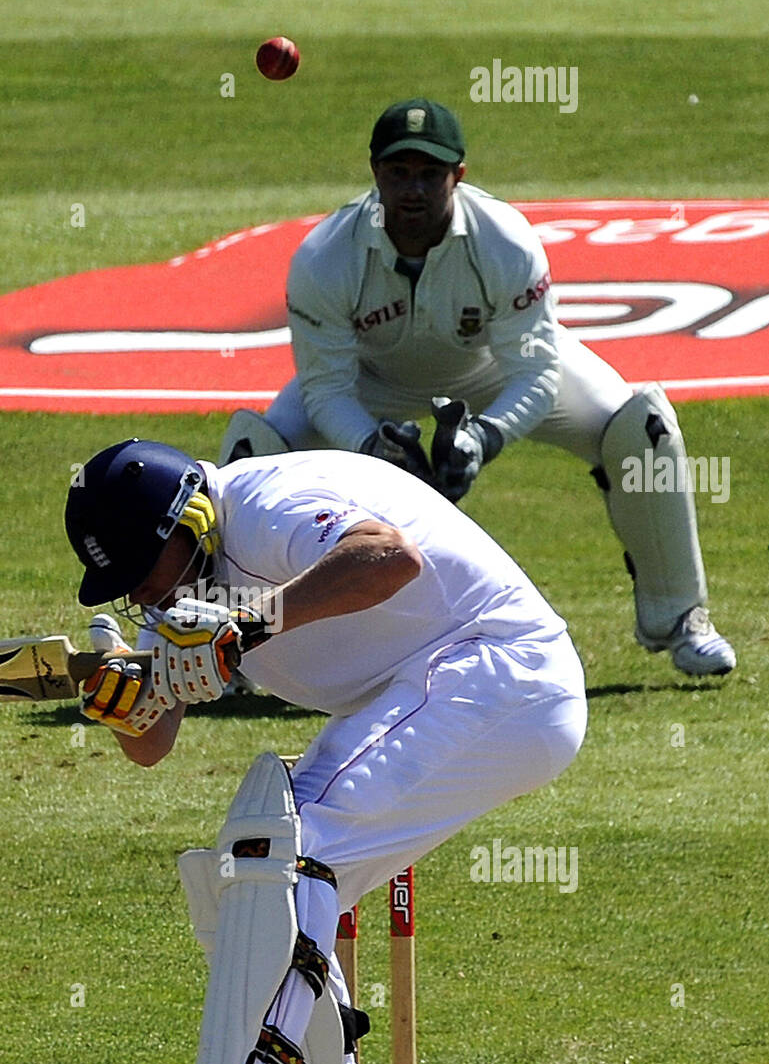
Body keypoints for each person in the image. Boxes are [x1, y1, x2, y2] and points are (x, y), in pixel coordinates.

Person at [64, 437, 588, 1064]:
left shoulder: (271, 503)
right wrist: (127, 692)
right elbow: (151, 742)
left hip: (497, 671)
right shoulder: (180, 574)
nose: (145, 591)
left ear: (188, 518)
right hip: (437, 690)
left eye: (146, 569)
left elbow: (386, 558)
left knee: (290, 848)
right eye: (129, 584)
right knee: (257, 874)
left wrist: (243, 626)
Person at [219, 98, 735, 678]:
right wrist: (371, 448)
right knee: (249, 458)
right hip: (373, 384)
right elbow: (326, 387)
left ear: (458, 176)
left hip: (494, 375)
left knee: (643, 429)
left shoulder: (505, 240)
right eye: (399, 174)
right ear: (374, 174)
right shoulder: (325, 257)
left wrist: (485, 438)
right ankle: (223, 643)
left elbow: (535, 371)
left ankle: (679, 616)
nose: (413, 190)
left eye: (430, 175)